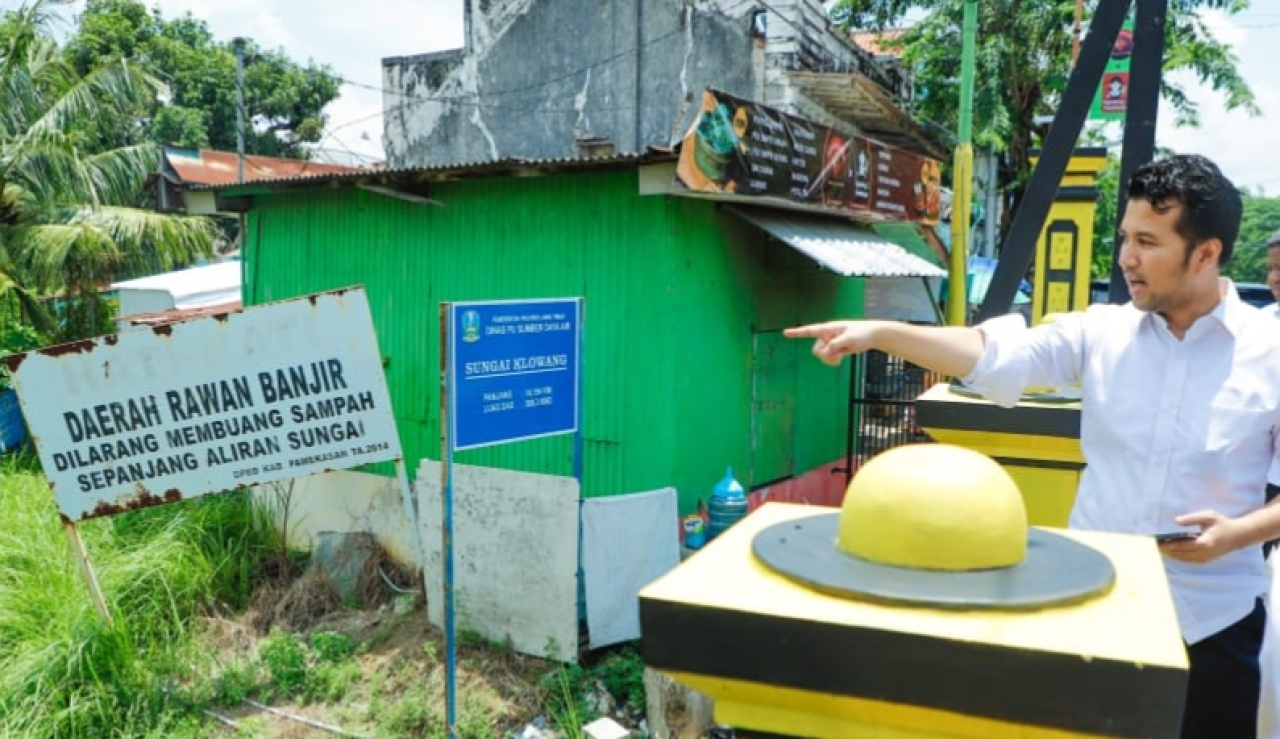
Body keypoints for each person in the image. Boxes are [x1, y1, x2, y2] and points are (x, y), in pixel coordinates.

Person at [785, 154, 1280, 739]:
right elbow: (995, 354)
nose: (1126, 257)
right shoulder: (1102, 332)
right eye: (1126, 237)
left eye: (1148, 241)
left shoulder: (1268, 349)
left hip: (1215, 621)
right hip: (1102, 603)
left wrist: (1237, 534)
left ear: (1206, 253)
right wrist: (884, 333)